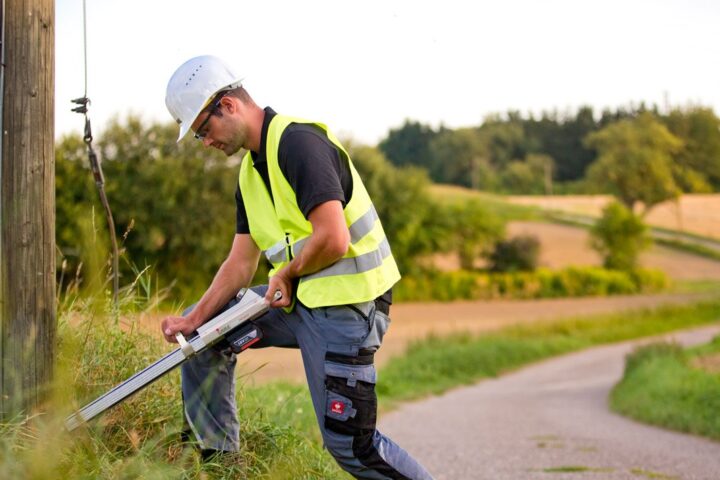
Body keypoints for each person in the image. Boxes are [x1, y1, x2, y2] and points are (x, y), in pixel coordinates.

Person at [161, 55, 434, 480]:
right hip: (299, 302)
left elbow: (333, 237)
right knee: (204, 339)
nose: (204, 142)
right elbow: (239, 262)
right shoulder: (250, 175)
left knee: (352, 445)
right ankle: (220, 469)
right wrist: (194, 318)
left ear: (228, 105)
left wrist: (286, 274)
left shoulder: (298, 144)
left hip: (351, 309)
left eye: (203, 129)